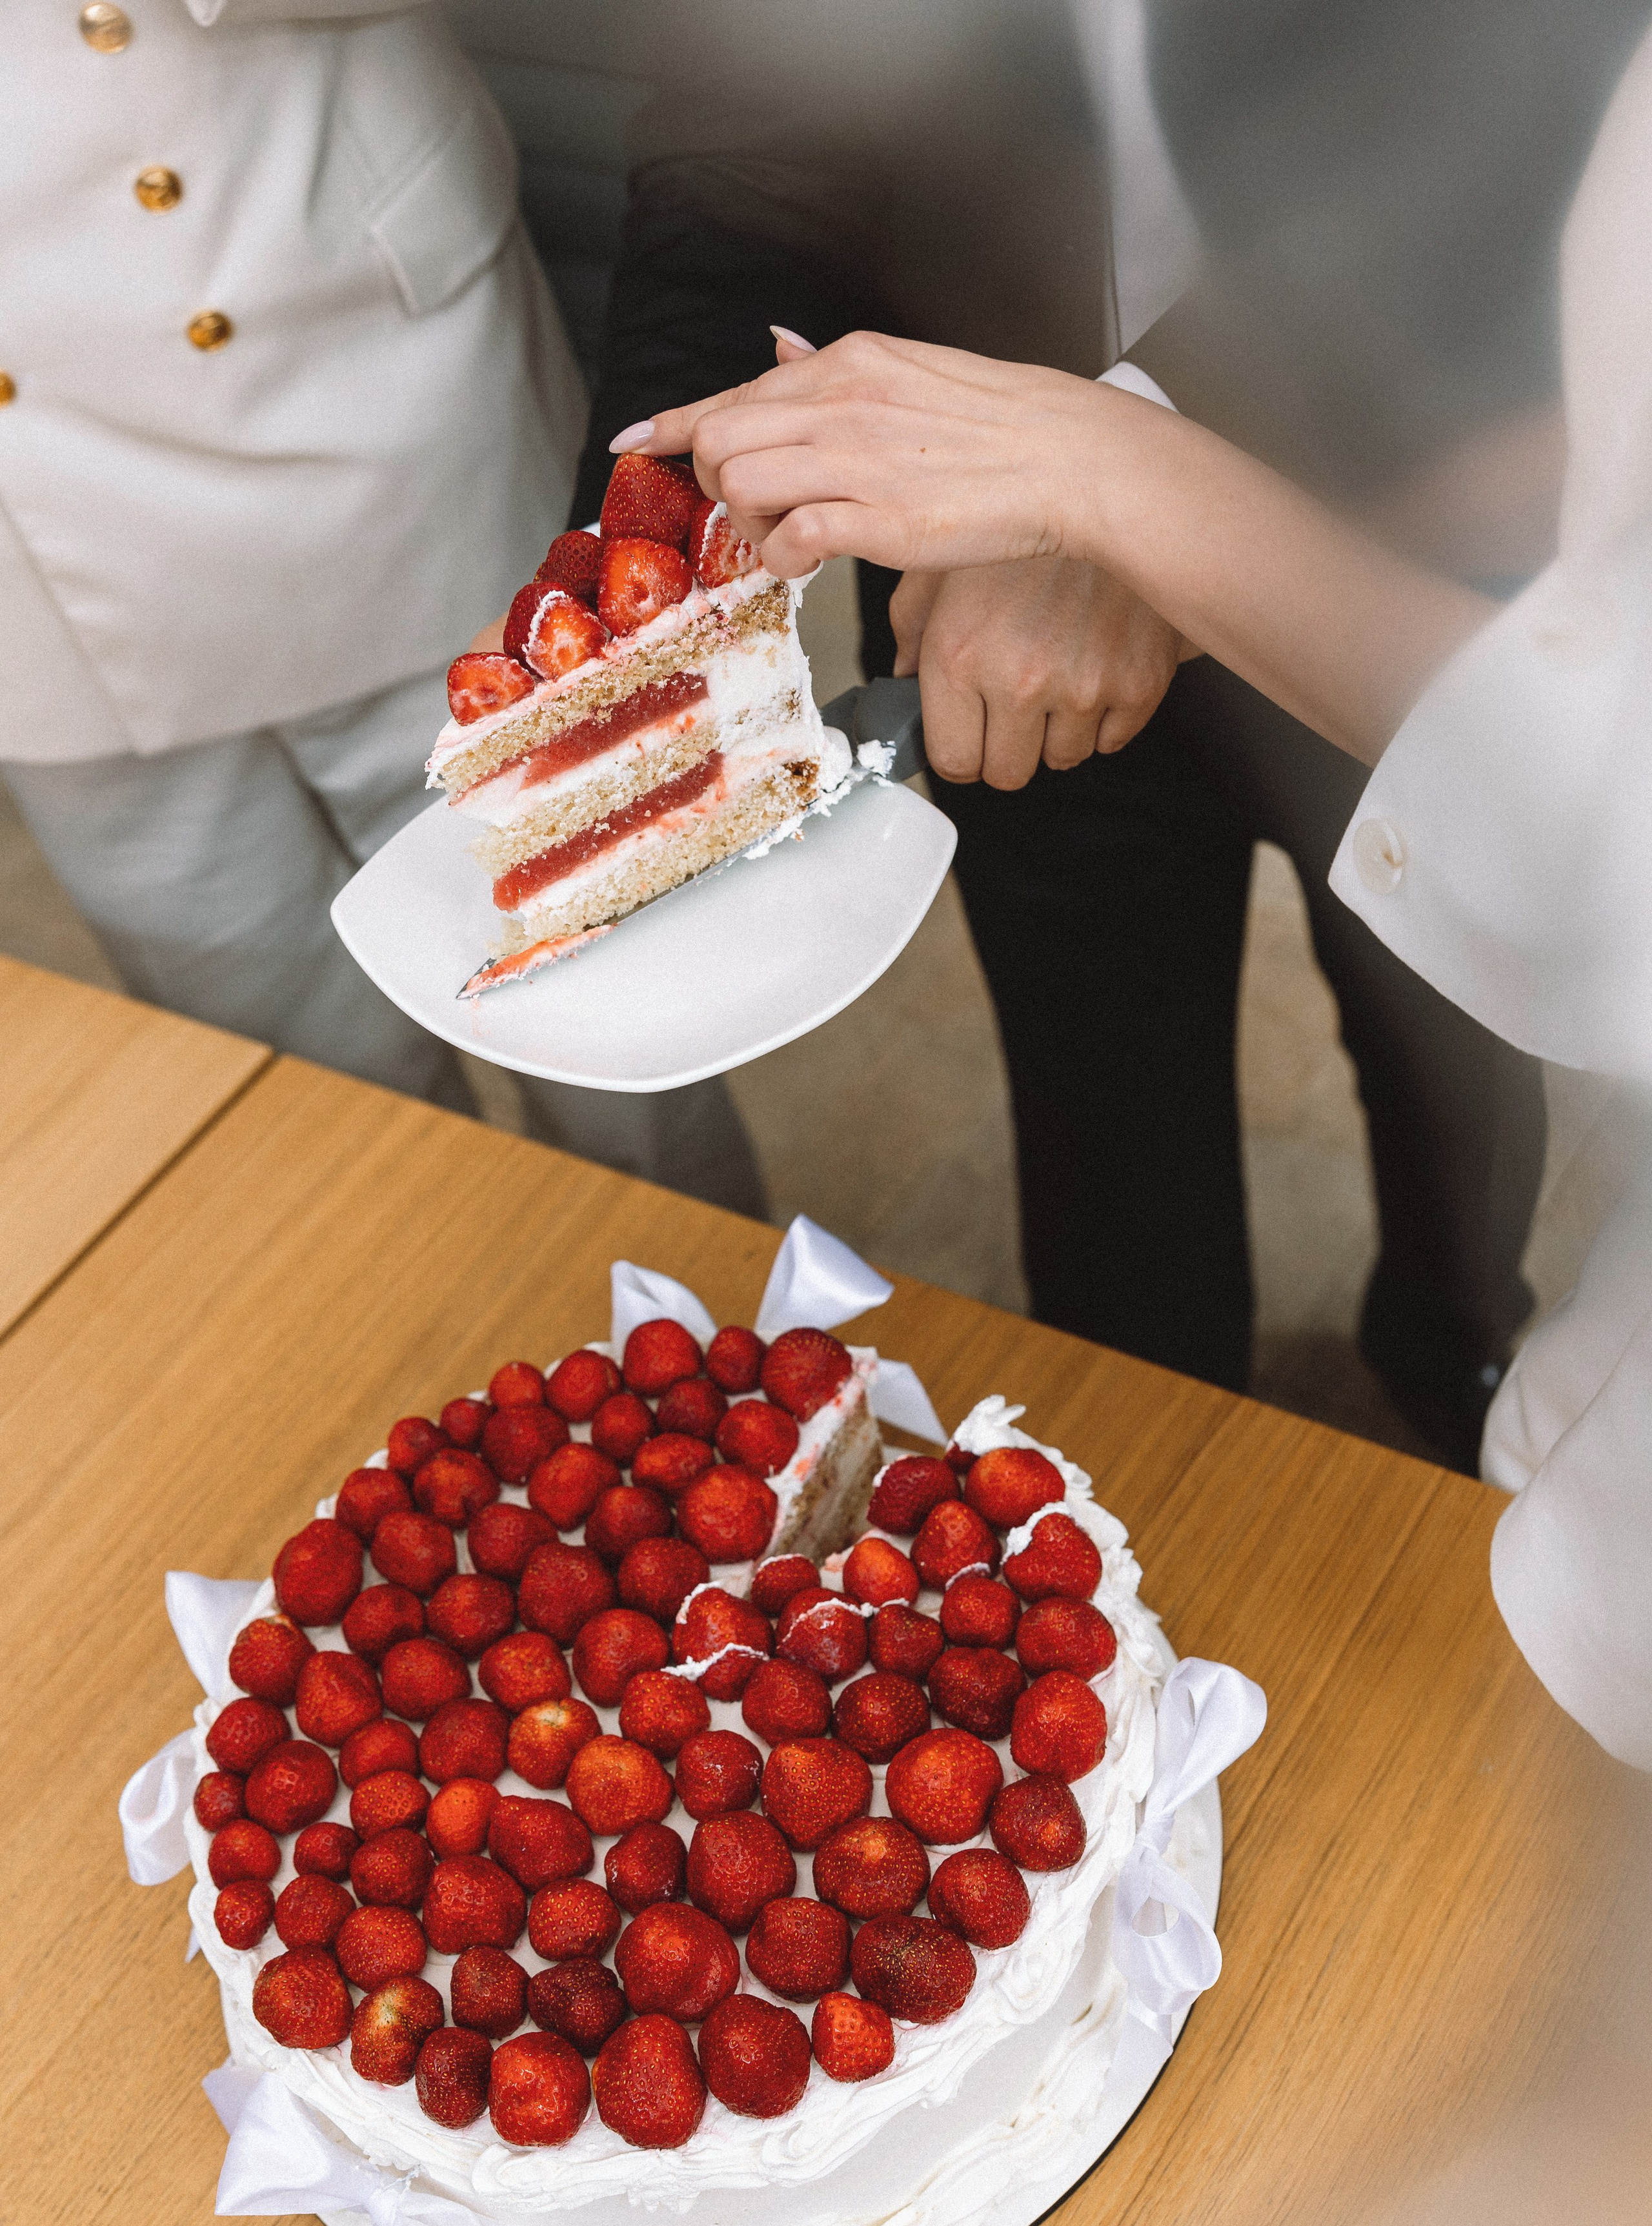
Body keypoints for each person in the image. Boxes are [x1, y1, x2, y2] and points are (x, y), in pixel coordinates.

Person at [629, 14, 1652, 1757]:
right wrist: (646, 537)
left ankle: (1445, 1335)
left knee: (1444, 1052)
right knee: (1105, 1123)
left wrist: (1119, 472)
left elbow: (1513, 148)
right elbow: (748, 146)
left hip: (1436, 567)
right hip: (967, 605)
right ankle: (1138, 1529)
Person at [0, 0, 763, 1215]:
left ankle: (721, 1334)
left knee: (594, 974)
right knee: (303, 1087)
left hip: (354, 373)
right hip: (28, 567)